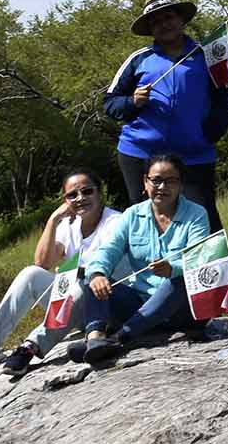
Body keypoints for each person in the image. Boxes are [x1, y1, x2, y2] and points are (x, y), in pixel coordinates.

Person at [0, 169, 120, 378]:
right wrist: (53, 220)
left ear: (99, 193)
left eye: (87, 191)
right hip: (73, 303)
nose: (80, 198)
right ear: (65, 200)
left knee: (83, 282)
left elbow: (102, 268)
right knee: (30, 274)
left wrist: (71, 272)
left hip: (103, 306)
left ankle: (30, 346)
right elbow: (42, 262)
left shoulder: (115, 222)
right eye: (72, 195)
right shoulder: (68, 225)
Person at [103, 0, 228, 234]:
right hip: (140, 154)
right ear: (150, 29)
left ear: (181, 19)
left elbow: (225, 97)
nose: (164, 24)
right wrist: (132, 101)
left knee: (204, 221)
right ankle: (150, 271)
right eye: (156, 21)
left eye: (169, 17)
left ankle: (210, 272)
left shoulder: (208, 56)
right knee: (144, 224)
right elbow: (110, 103)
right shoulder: (138, 59)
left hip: (194, 156)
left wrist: (210, 135)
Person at [72, 152, 214, 364]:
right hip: (138, 303)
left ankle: (120, 338)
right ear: (145, 182)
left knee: (180, 281)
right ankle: (95, 339)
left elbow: (199, 260)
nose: (162, 187)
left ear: (181, 184)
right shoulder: (132, 214)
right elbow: (108, 250)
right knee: (90, 278)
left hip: (181, 309)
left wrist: (172, 269)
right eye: (156, 180)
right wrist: (98, 273)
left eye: (170, 181)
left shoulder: (196, 214)